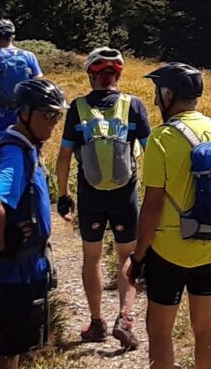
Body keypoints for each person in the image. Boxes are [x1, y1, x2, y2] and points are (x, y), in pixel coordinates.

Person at [124, 62, 211, 369]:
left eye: (159, 92)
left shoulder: (162, 139)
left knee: (160, 330)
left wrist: (137, 258)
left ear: (168, 95)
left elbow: (152, 206)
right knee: (205, 326)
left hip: (169, 250)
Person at [55, 47, 149, 351]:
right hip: (125, 194)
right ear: (117, 76)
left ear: (92, 77)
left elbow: (64, 156)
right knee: (127, 257)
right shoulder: (133, 106)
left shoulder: (78, 108)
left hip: (91, 194)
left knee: (92, 257)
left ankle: (96, 323)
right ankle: (125, 319)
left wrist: (64, 195)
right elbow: (153, 151)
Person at [0, 75, 67, 369]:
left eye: (57, 115)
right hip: (13, 271)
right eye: (48, 115)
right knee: (8, 341)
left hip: (22, 268)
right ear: (26, 113)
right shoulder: (14, 154)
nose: (54, 122)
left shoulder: (23, 146)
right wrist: (4, 248)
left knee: (13, 341)